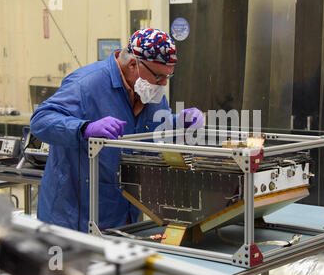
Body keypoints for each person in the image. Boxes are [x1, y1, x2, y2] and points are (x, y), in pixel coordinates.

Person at [30, 28, 204, 232]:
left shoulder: (151, 91)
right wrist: (84, 128)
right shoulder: (86, 84)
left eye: (169, 76)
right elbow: (41, 120)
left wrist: (177, 123)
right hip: (73, 218)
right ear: (133, 64)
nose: (163, 83)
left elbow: (148, 129)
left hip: (124, 216)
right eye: (158, 76)